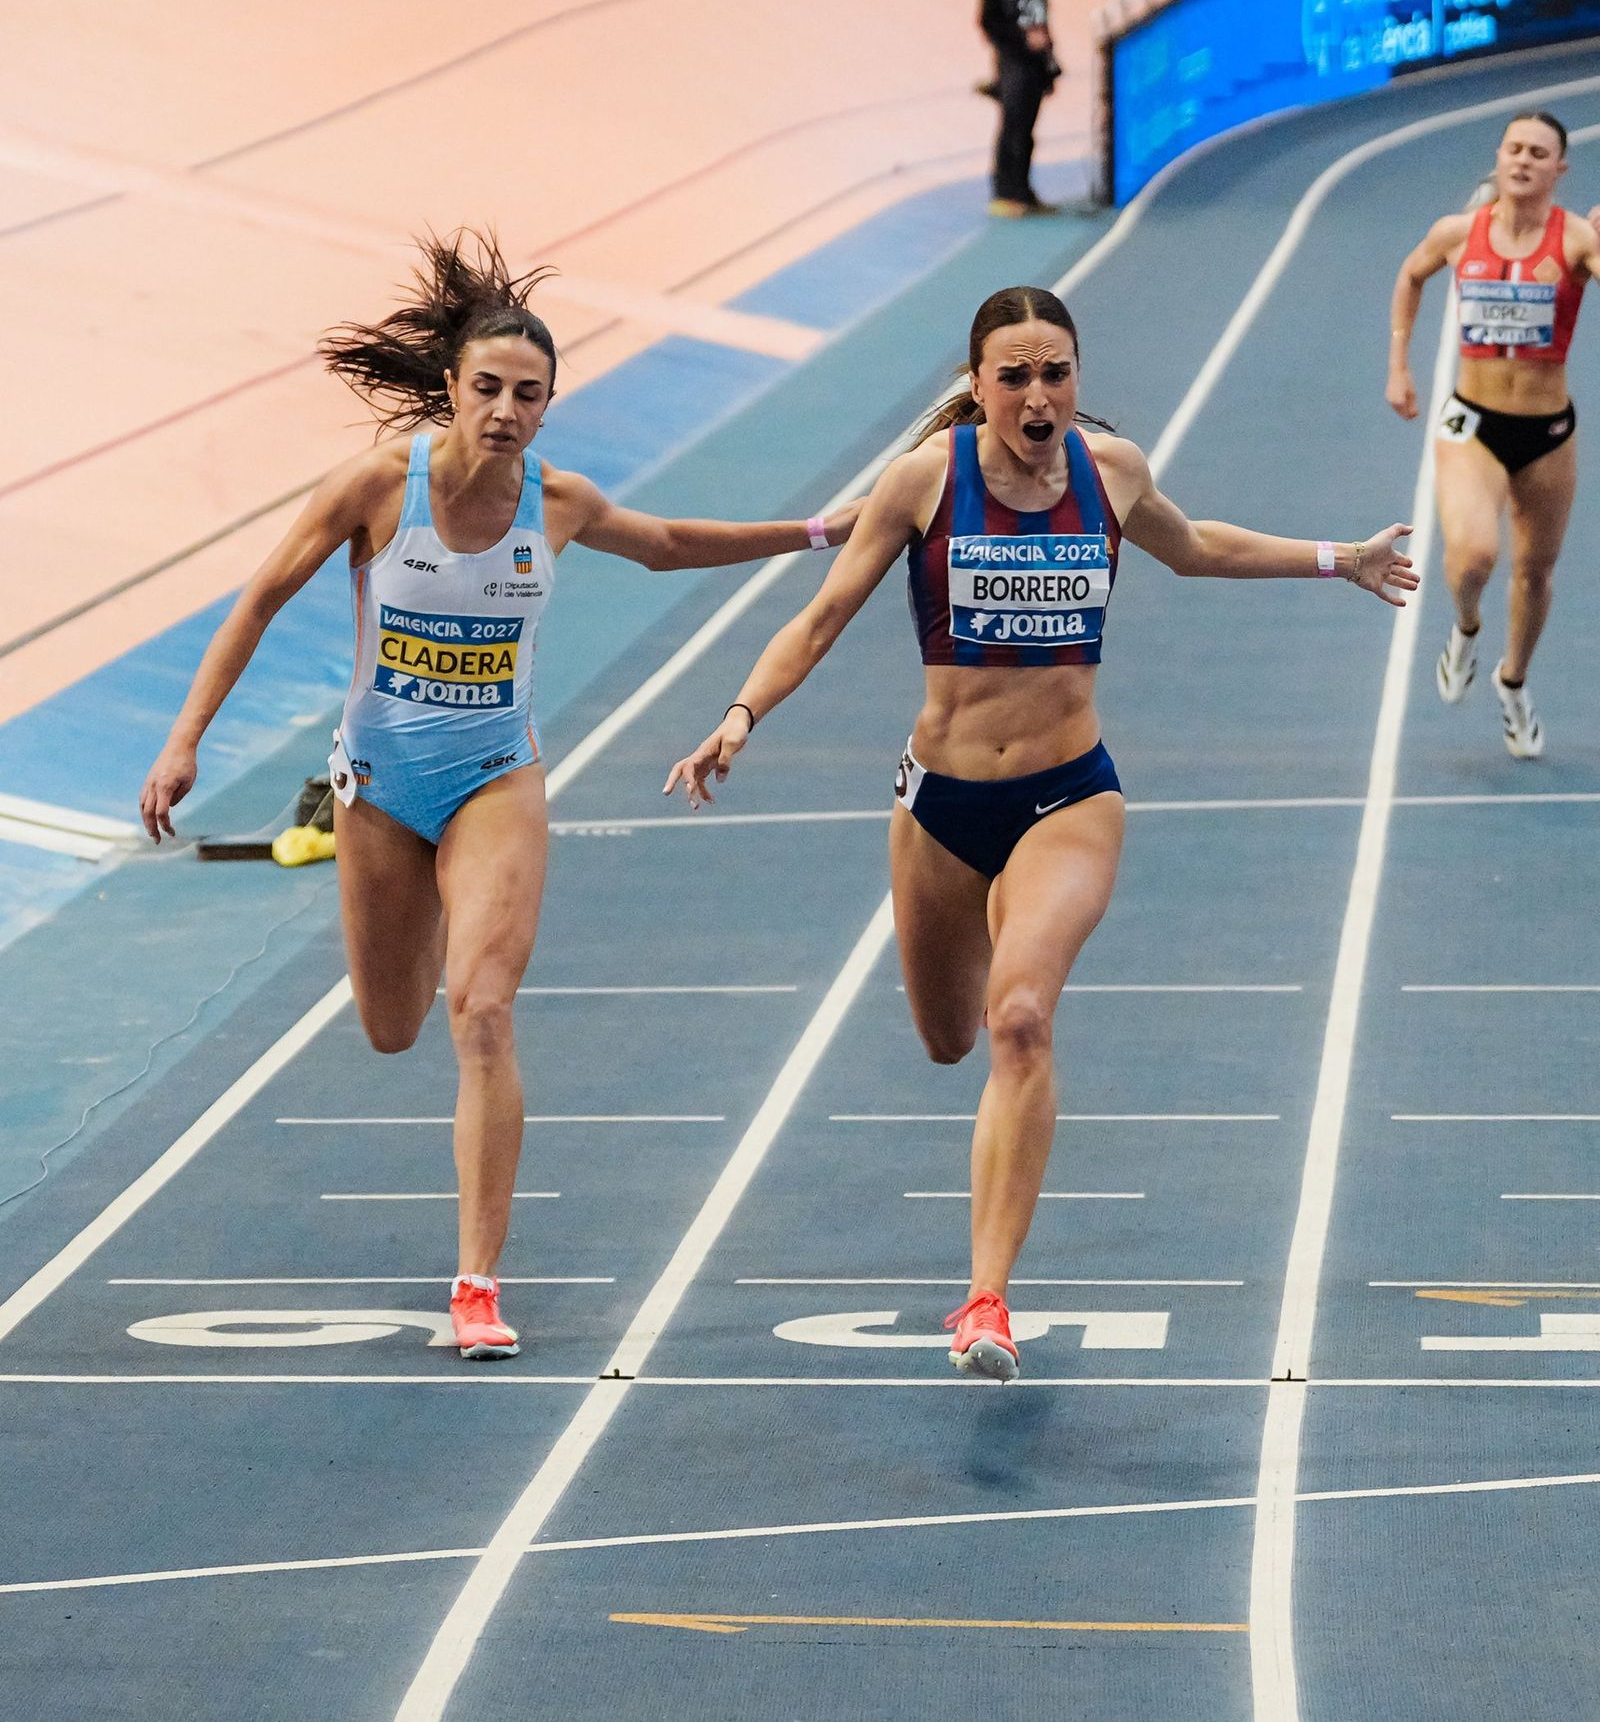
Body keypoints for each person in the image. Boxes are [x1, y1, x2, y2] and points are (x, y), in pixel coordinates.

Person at [664, 285, 1415, 1381]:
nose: (1035, 394)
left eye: (1053, 372)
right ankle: (981, 1243)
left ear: (1077, 379)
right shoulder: (924, 481)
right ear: (977, 385)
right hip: (941, 805)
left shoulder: (1111, 473)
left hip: (1070, 796)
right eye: (1012, 374)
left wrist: (1336, 557)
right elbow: (819, 615)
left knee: (1018, 1019)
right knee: (945, 1038)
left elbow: (1196, 546)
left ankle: (984, 1302)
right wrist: (739, 716)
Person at [139, 235, 855, 1361]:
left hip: (495, 779)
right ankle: (395, 889)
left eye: (531, 395)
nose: (508, 411)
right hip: (379, 785)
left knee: (481, 1009)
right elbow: (256, 604)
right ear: (451, 391)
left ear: (550, 405)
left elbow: (667, 545)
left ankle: (477, 1283)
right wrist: (184, 744)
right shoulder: (379, 490)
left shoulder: (554, 502)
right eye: (488, 390)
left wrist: (819, 529)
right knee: (389, 1027)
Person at [1387, 111, 1600, 757]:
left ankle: (1513, 681)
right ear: (1499, 157)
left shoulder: (1576, 242)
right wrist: (1399, 362)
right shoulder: (1458, 233)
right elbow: (1410, 275)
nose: (1524, 159)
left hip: (1548, 430)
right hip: (1470, 422)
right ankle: (1466, 629)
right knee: (1474, 555)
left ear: (1559, 168)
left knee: (1536, 572)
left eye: (1539, 152)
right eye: (1515, 148)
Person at [978, 0, 1062, 217]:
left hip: (1035, 66)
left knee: (1026, 132)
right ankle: (1004, 193)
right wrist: (1021, 39)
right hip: (1013, 65)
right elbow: (988, 23)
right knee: (1012, 128)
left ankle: (1024, 193)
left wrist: (1050, 65)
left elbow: (1043, 21)